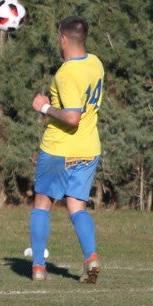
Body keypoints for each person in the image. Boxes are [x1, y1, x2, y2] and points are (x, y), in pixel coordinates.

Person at [27, 16, 105, 283]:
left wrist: (44, 107)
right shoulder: (95, 63)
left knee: (42, 205)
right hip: (88, 149)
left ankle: (38, 267)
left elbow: (72, 117)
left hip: (60, 149)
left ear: (63, 38)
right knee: (77, 207)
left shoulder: (66, 73)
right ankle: (90, 257)